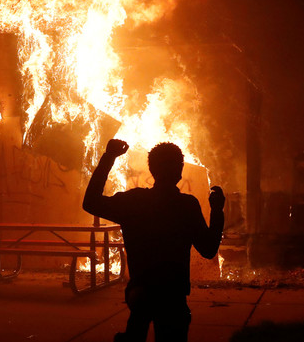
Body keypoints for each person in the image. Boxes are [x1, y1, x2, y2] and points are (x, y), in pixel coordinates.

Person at [83, 139, 225, 342]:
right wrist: (217, 212)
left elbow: (91, 202)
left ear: (152, 170)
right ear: (179, 170)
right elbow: (209, 249)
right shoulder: (187, 206)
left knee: (136, 329)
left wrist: (109, 157)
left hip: (141, 293)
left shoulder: (134, 201)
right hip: (173, 297)